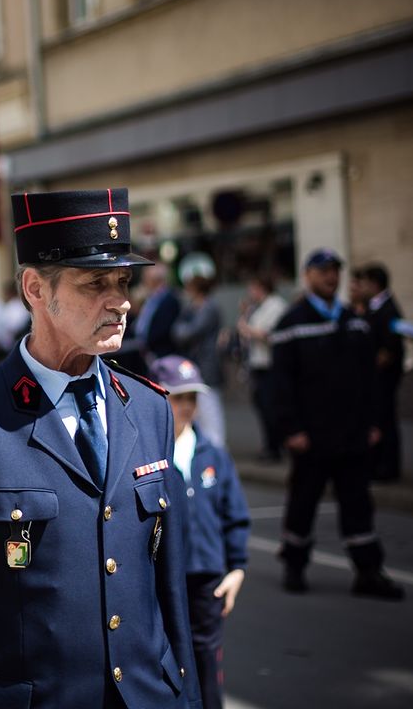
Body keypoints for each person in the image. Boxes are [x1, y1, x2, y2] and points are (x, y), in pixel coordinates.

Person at [0, 188, 201, 709]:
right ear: (35, 288)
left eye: (123, 281)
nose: (121, 300)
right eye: (96, 283)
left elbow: (170, 589)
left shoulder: (149, 408)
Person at [270, 248, 403, 600]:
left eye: (335, 271)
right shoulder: (291, 323)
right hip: (311, 437)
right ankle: (294, 565)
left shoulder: (355, 321)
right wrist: (290, 429)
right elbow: (280, 383)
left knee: (358, 504)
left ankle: (369, 571)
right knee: (303, 501)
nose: (331, 277)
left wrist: (374, 422)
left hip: (353, 435)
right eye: (323, 271)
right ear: (307, 276)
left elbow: (370, 379)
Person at [150, 355, 249, 709]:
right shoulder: (148, 455)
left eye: (192, 398)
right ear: (158, 398)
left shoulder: (213, 454)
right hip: (160, 578)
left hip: (206, 577)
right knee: (166, 658)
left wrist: (237, 569)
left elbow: (234, 515)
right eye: (178, 397)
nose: (186, 407)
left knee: (206, 658)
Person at [360, 264, 406, 482]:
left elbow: (390, 347)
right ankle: (378, 464)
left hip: (384, 376)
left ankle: (389, 467)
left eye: (365, 282)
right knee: (377, 420)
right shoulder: (374, 307)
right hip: (375, 375)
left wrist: (372, 367)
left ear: (374, 283)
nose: (362, 287)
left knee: (385, 420)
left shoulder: (388, 309)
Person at [236, 275, 287, 462]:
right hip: (258, 363)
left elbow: (269, 334)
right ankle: (270, 444)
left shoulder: (276, 306)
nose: (250, 293)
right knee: (262, 406)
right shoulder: (260, 307)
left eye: (253, 288)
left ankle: (274, 447)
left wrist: (247, 330)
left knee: (270, 406)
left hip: (269, 364)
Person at [173, 272, 225, 446]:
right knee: (200, 415)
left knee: (211, 413)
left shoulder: (208, 308)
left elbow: (187, 333)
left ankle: (217, 453)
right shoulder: (193, 307)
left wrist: (182, 330)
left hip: (207, 365)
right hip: (197, 364)